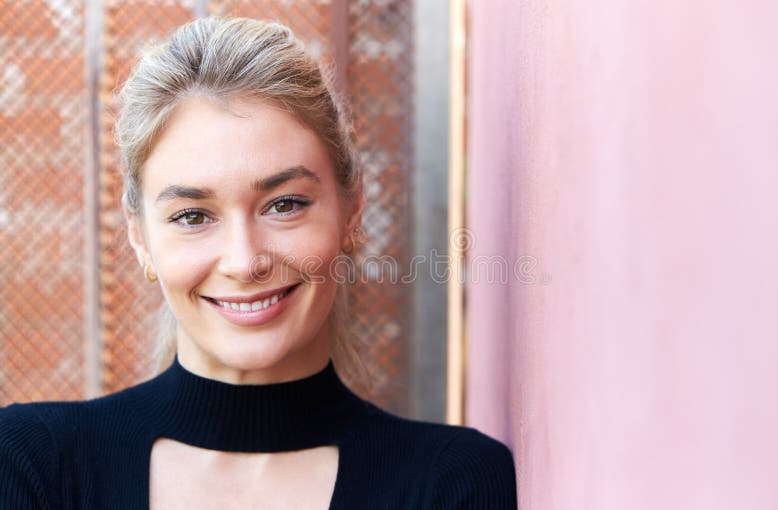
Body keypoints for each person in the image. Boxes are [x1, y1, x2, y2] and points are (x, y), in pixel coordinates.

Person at [0, 16, 517, 509]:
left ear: (351, 209)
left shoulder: (454, 482)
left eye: (284, 204)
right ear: (139, 238)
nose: (245, 262)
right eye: (192, 215)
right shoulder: (31, 464)